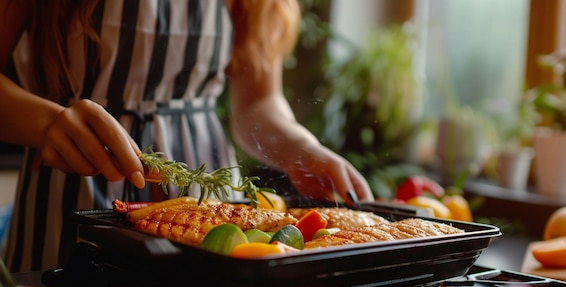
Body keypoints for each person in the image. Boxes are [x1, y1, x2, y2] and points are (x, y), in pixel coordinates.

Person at [0, 0, 373, 272]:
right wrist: (46, 123)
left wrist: (301, 149)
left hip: (207, 205)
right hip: (69, 193)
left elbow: (258, 100)